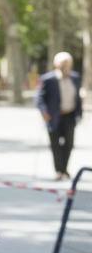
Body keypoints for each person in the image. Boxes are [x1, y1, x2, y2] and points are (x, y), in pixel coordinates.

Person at [36, 51, 82, 181]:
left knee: (68, 144)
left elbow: (77, 97)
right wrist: (44, 113)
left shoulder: (75, 77)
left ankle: (64, 169)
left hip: (70, 116)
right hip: (54, 117)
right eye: (62, 63)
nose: (65, 66)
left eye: (67, 64)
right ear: (56, 64)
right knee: (55, 145)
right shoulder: (47, 79)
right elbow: (39, 98)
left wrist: (79, 113)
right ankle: (58, 171)